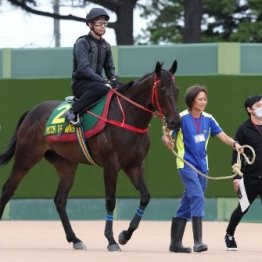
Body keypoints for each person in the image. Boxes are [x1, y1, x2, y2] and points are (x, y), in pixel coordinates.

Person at [162, 85, 241, 253]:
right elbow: (166, 132)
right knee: (197, 196)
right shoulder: (181, 117)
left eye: (205, 99)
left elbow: (223, 136)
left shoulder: (209, 119)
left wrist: (235, 145)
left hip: (202, 166)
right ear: (191, 100)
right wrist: (166, 139)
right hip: (186, 164)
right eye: (200, 99)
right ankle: (198, 242)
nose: (204, 102)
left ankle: (175, 243)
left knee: (188, 200)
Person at [64, 7, 118, 125]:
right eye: (99, 24)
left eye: (104, 23)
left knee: (122, 88)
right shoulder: (82, 43)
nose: (103, 26)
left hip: (98, 83)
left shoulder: (106, 46)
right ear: (90, 24)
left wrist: (113, 79)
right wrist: (103, 80)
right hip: (81, 84)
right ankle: (72, 112)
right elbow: (83, 68)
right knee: (102, 88)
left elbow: (110, 68)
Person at [224, 95, 262, 251]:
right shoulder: (243, 129)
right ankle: (229, 234)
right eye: (258, 105)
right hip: (250, 177)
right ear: (249, 109)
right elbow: (236, 154)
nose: (261, 107)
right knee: (243, 207)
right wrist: (237, 177)